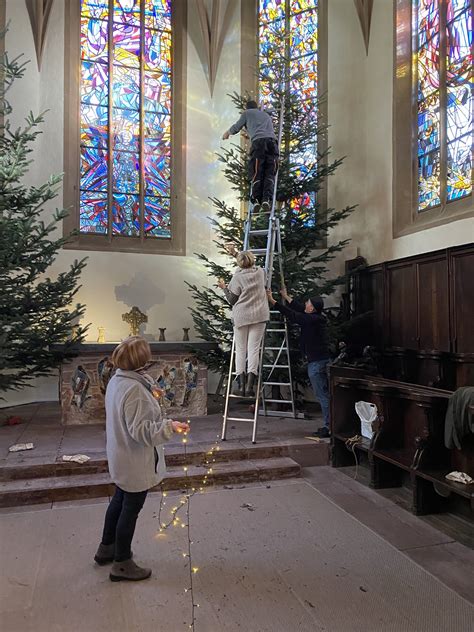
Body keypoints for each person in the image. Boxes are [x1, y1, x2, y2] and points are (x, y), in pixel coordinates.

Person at [94, 336, 189, 582]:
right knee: (130, 509)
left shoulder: (119, 379)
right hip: (135, 461)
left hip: (121, 456)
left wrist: (152, 392)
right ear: (141, 361)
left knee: (119, 500)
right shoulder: (134, 390)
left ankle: (107, 548)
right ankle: (122, 563)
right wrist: (171, 427)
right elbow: (142, 431)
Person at [267, 287, 331, 438]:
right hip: (318, 361)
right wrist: (286, 296)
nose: (305, 304)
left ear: (312, 308)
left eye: (307, 303)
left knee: (322, 395)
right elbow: (299, 308)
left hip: (317, 363)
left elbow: (294, 315)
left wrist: (273, 301)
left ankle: (329, 427)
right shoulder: (314, 316)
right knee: (323, 394)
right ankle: (330, 425)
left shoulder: (311, 320)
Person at [218, 250, 270, 398]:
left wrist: (224, 288)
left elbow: (232, 300)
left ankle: (240, 386)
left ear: (239, 263)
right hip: (259, 315)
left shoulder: (237, 277)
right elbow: (250, 264)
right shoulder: (260, 272)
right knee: (254, 350)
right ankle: (250, 387)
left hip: (242, 317)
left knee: (241, 350)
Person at [222, 100, 278, 212]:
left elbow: (237, 126)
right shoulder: (266, 115)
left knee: (257, 171)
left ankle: (257, 200)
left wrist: (227, 133)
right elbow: (265, 124)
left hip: (259, 144)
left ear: (246, 108)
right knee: (270, 172)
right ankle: (267, 198)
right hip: (272, 144)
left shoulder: (247, 113)